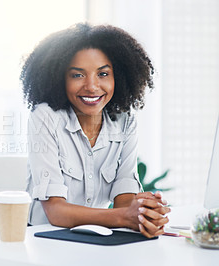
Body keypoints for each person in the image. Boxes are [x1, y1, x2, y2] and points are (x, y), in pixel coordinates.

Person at [21, 23, 170, 238]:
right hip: (45, 239)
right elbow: (55, 212)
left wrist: (144, 214)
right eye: (77, 75)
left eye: (103, 74)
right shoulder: (45, 117)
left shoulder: (124, 121)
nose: (92, 86)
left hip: (99, 237)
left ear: (117, 76)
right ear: (59, 78)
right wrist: (124, 217)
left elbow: (124, 199)